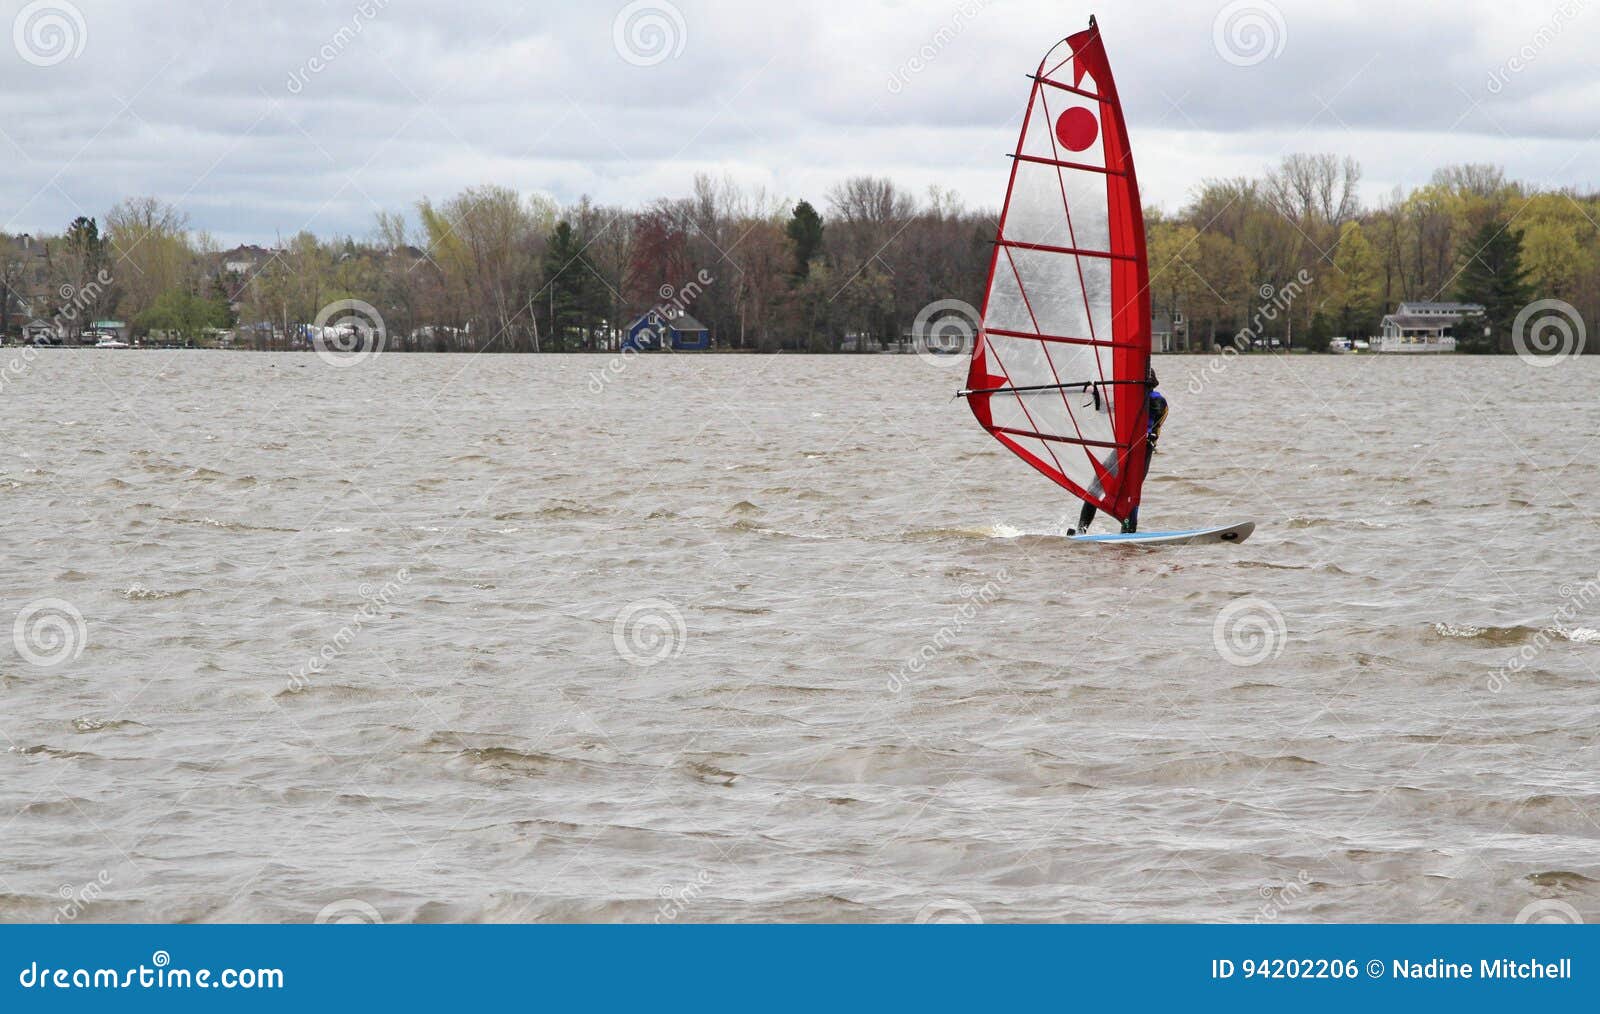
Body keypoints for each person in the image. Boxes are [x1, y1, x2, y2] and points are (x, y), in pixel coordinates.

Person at [1069, 368, 1167, 535]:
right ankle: (1081, 531)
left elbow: (1158, 411)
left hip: (1142, 452)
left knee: (1131, 492)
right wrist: (1095, 393)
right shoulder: (1128, 399)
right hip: (1122, 450)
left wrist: (1142, 392)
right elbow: (1103, 408)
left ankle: (1128, 531)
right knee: (1096, 486)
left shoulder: (1157, 399)